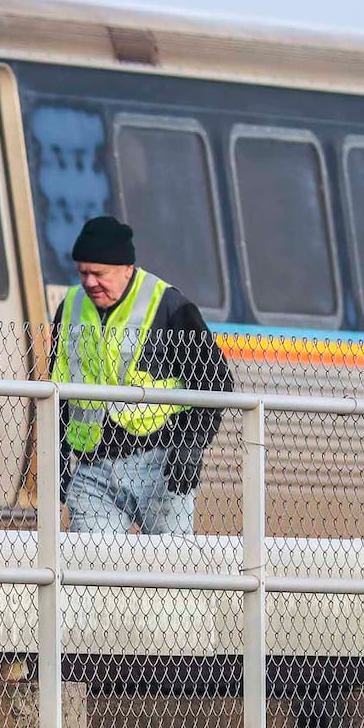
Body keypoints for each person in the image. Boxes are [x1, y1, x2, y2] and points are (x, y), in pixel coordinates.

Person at [52, 215, 232, 535]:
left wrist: (190, 446)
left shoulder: (169, 306)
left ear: (127, 269)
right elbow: (58, 389)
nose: (90, 282)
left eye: (99, 273)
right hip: (93, 469)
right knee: (93, 568)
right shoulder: (70, 308)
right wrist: (58, 456)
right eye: (83, 273)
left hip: (160, 467)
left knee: (170, 570)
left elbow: (216, 381)